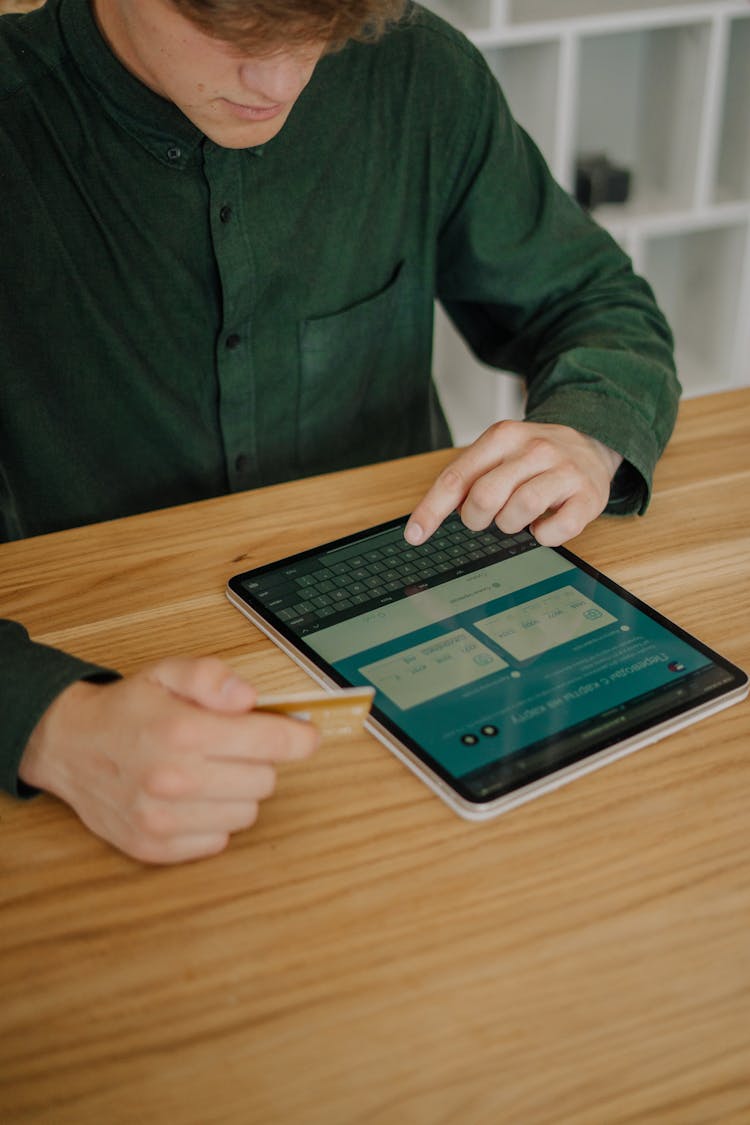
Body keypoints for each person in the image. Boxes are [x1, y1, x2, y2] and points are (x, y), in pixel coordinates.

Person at [0, 0, 679, 863]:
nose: (283, 80)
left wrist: (587, 432)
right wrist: (50, 726)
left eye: (317, 32)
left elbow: (593, 302)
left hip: (421, 695)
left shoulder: (412, 71)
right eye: (235, 31)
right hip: (99, 741)